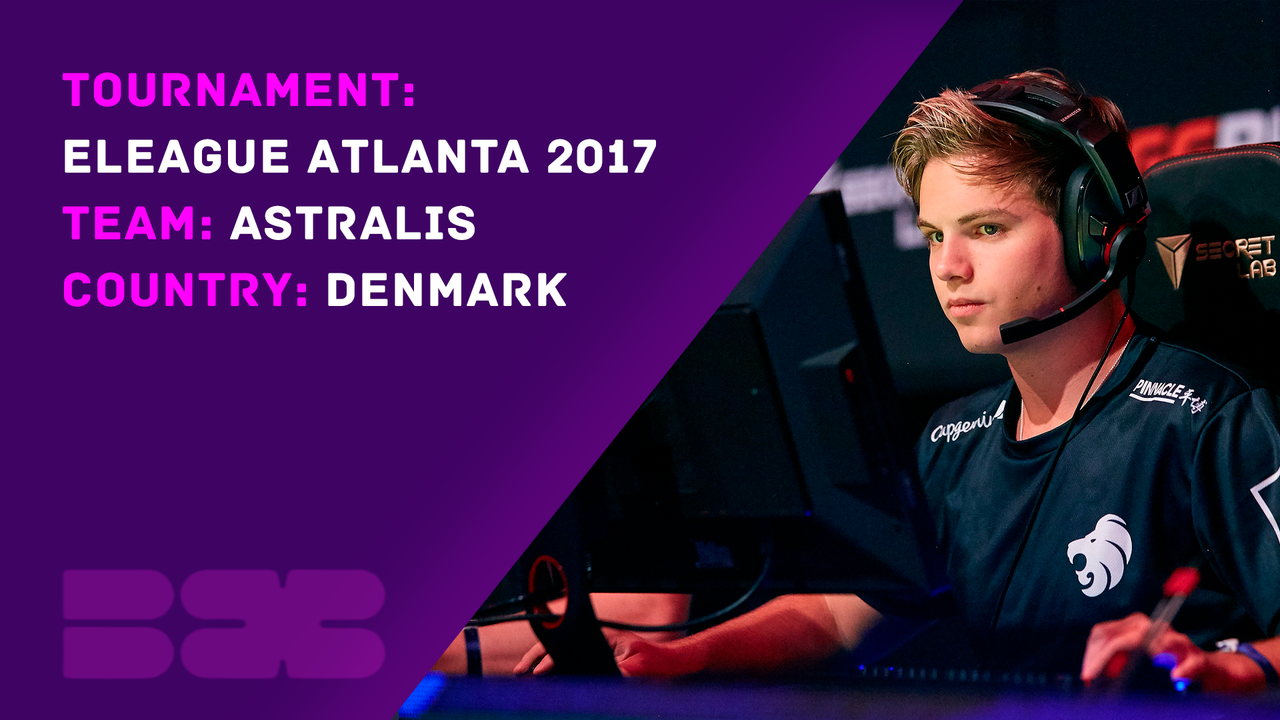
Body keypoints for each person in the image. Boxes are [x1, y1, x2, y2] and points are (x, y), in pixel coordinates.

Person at [515, 70, 1280, 691]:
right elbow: (847, 616)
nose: (949, 267)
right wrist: (686, 656)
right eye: (934, 235)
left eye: (987, 229)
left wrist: (1235, 667)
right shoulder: (954, 440)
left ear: (1094, 231)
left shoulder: (1211, 420)